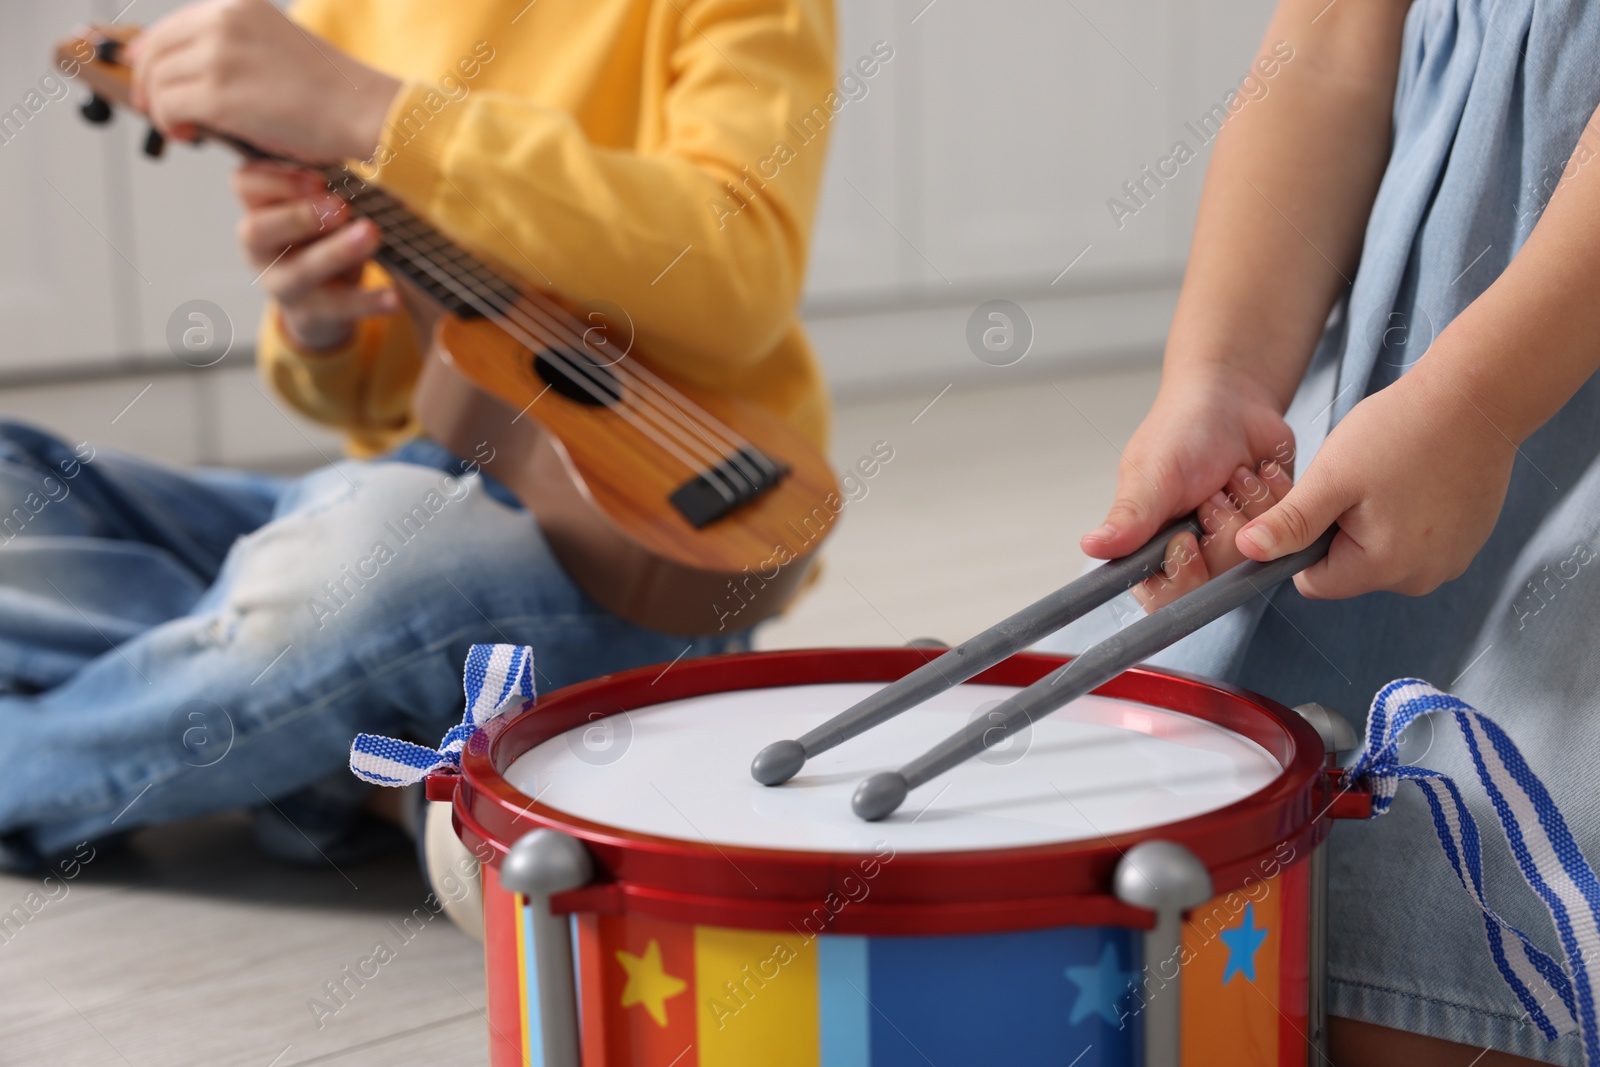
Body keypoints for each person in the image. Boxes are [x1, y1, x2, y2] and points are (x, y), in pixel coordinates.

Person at [0, 0, 834, 869]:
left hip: (629, 556)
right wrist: (318, 324)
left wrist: (369, 108)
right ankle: (316, 727)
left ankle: (235, 718)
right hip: (379, 502)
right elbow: (375, 406)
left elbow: (740, 274)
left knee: (373, 566)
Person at [1047, 0, 1600, 1063]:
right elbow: (1329, 49)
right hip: (1412, 404)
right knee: (1201, 848)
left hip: (1514, 409)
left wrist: (1479, 408)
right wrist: (1221, 375)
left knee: (1455, 951)